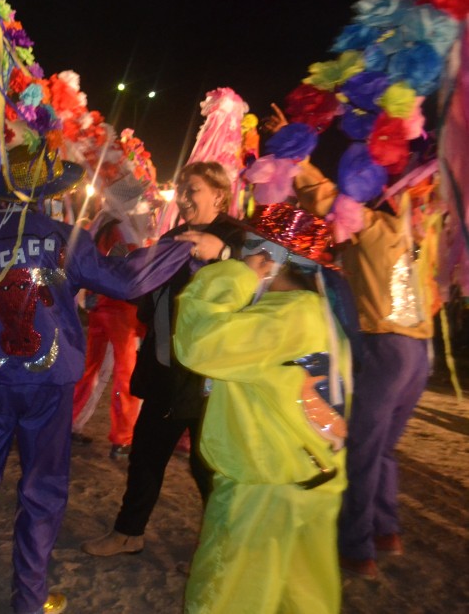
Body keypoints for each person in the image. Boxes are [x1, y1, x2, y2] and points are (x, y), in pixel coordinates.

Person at [0, 146, 217, 614]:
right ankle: (29, 600)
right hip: (47, 385)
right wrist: (183, 246)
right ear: (48, 192)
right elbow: (125, 280)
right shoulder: (63, 237)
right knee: (42, 490)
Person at [174, 205, 349, 614]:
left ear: (268, 258)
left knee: (224, 600)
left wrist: (229, 274)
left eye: (247, 249)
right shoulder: (318, 314)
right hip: (312, 482)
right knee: (303, 601)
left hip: (265, 491)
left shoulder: (284, 317)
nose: (241, 256)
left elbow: (197, 343)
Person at [82, 161, 243, 558]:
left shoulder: (238, 237)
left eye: (193, 190)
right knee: (145, 456)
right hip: (166, 368)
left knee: (208, 467)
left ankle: (223, 550)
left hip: (209, 376)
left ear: (219, 195)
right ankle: (128, 532)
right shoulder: (174, 237)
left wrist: (223, 253)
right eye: (182, 189)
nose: (184, 197)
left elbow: (264, 281)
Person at [294, 159, 438, 579]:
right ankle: (385, 530)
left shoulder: (374, 225)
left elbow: (324, 197)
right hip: (417, 354)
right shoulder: (420, 238)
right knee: (383, 449)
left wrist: (296, 159)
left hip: (384, 349)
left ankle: (356, 548)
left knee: (361, 449)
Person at [70, 217, 146, 456]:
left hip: (101, 307)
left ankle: (71, 423)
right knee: (127, 374)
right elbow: (131, 270)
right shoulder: (123, 229)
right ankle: (123, 438)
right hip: (123, 310)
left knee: (94, 369)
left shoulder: (101, 223)